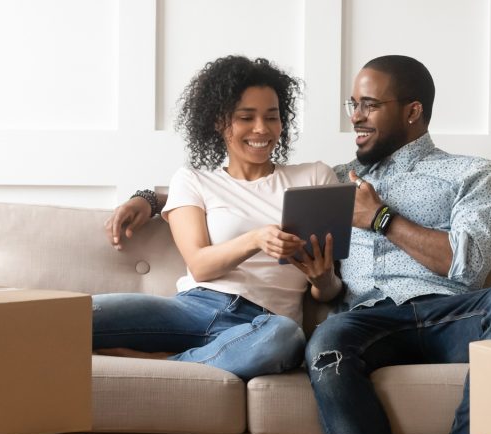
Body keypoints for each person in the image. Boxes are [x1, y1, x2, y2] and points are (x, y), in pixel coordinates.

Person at [107, 55, 491, 434]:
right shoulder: (336, 180)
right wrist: (146, 197)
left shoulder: (473, 173)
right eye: (352, 104)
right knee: (326, 347)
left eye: (369, 105)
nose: (355, 117)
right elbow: (236, 185)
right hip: (370, 321)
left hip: (452, 311)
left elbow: (469, 267)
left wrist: (379, 217)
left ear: (412, 111)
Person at [92, 55, 343, 382]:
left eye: (272, 117)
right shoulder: (194, 180)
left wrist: (323, 281)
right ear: (219, 121)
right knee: (71, 315)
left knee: (286, 339)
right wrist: (255, 239)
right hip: (192, 308)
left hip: (263, 323)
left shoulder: (315, 177)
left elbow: (329, 288)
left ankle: (163, 365)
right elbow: (200, 264)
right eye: (246, 117)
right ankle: (199, 361)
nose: (261, 129)